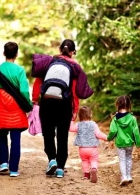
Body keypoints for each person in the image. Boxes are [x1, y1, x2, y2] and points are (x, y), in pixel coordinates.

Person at [32, 39, 81, 178]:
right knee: (62, 136)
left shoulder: (48, 61)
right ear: (73, 52)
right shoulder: (74, 66)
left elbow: (38, 83)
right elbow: (74, 90)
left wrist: (35, 100)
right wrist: (75, 109)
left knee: (48, 133)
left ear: (60, 50)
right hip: (64, 103)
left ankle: (52, 159)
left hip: (47, 101)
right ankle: (60, 168)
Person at [0, 41, 32, 177]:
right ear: (17, 54)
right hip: (16, 107)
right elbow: (24, 90)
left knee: (2, 135)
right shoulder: (20, 70)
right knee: (16, 138)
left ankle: (3, 164)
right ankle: (13, 169)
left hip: (1, 105)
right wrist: (27, 105)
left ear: (4, 53)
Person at [107, 95, 140, 186]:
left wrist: (109, 138)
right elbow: (136, 131)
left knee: (122, 160)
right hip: (130, 143)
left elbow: (113, 131)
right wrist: (138, 142)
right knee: (129, 158)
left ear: (118, 105)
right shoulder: (132, 118)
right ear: (129, 105)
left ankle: (124, 177)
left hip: (120, 143)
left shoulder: (115, 118)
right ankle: (129, 176)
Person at [69, 106, 107, 183]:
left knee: (84, 161)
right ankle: (93, 169)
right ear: (90, 115)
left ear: (80, 115)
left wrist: (72, 119)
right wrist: (107, 137)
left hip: (82, 149)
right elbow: (98, 134)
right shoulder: (93, 124)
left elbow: (71, 129)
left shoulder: (78, 124)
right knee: (94, 160)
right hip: (92, 148)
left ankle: (86, 174)